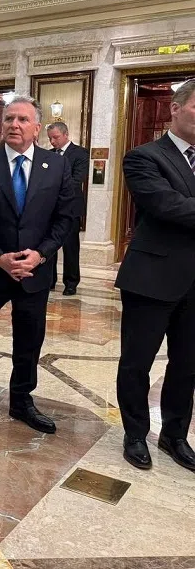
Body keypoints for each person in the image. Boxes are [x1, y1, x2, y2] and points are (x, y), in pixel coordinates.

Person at [0, 96, 74, 439]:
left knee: (30, 340)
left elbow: (66, 218)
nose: (14, 124)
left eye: (23, 119)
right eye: (9, 118)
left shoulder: (55, 166)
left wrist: (40, 255)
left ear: (37, 128)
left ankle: (21, 400)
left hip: (34, 273)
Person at [115, 78, 195, 473]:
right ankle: (135, 433)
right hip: (151, 278)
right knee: (137, 362)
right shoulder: (144, 156)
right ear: (175, 108)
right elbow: (166, 205)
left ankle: (174, 435)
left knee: (188, 364)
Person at [47, 121, 90, 295]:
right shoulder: (48, 155)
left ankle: (71, 282)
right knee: (49, 245)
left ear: (66, 135)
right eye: (50, 138)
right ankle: (49, 280)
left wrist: (52, 189)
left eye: (55, 137)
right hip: (49, 208)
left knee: (70, 247)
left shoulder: (80, 153)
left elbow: (76, 180)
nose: (52, 142)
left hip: (70, 207)